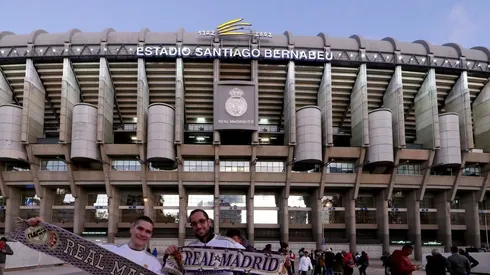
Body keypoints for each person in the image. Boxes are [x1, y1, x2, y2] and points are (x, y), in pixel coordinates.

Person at [27, 216, 164, 274]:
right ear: (131, 228)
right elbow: (70, 246)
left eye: (148, 231)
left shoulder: (153, 263)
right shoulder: (107, 251)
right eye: (140, 229)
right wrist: (40, 229)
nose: (143, 234)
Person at [164, 209, 245, 275]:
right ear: (192, 227)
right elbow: (179, 271)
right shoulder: (189, 249)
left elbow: (252, 260)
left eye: (202, 221)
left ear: (209, 222)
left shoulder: (228, 243)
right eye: (194, 224)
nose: (198, 226)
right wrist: (169, 256)